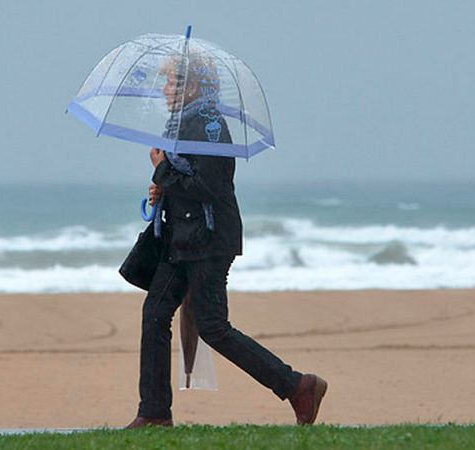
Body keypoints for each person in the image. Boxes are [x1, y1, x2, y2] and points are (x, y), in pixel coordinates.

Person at [125, 54, 327, 429]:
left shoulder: (210, 126)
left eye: (171, 82)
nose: (165, 90)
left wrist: (162, 169)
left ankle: (298, 385)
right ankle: (153, 413)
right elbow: (184, 182)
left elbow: (209, 187)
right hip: (179, 238)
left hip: (208, 241)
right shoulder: (180, 124)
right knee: (155, 314)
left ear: (193, 87)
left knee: (213, 327)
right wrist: (161, 189)